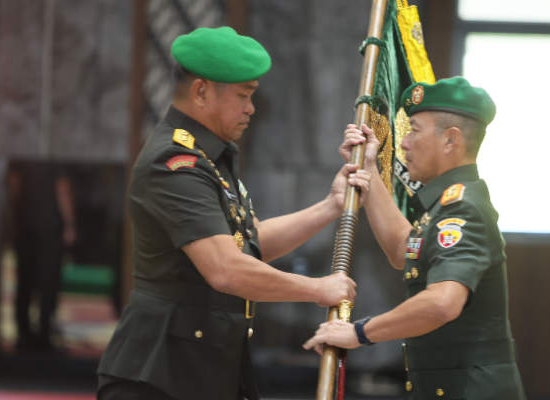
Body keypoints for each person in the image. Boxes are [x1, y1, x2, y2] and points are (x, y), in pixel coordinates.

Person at [97, 27, 370, 400]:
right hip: (160, 374)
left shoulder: (210, 154)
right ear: (201, 91)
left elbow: (250, 243)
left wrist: (330, 206)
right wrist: (317, 289)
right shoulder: (175, 162)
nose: (251, 108)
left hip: (198, 367)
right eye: (243, 95)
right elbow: (225, 269)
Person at [304, 77, 526, 399]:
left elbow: (442, 302)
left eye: (414, 131)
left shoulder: (462, 208)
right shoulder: (446, 205)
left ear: (451, 140)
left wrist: (358, 332)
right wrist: (369, 167)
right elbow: (402, 249)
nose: (404, 143)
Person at [8, 161, 76, 351]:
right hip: (50, 224)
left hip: (25, 220)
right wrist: (69, 223)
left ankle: (23, 332)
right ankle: (44, 332)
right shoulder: (56, 154)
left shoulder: (21, 151)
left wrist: (14, 213)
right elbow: (62, 187)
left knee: (24, 278)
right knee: (48, 281)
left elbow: (13, 184)